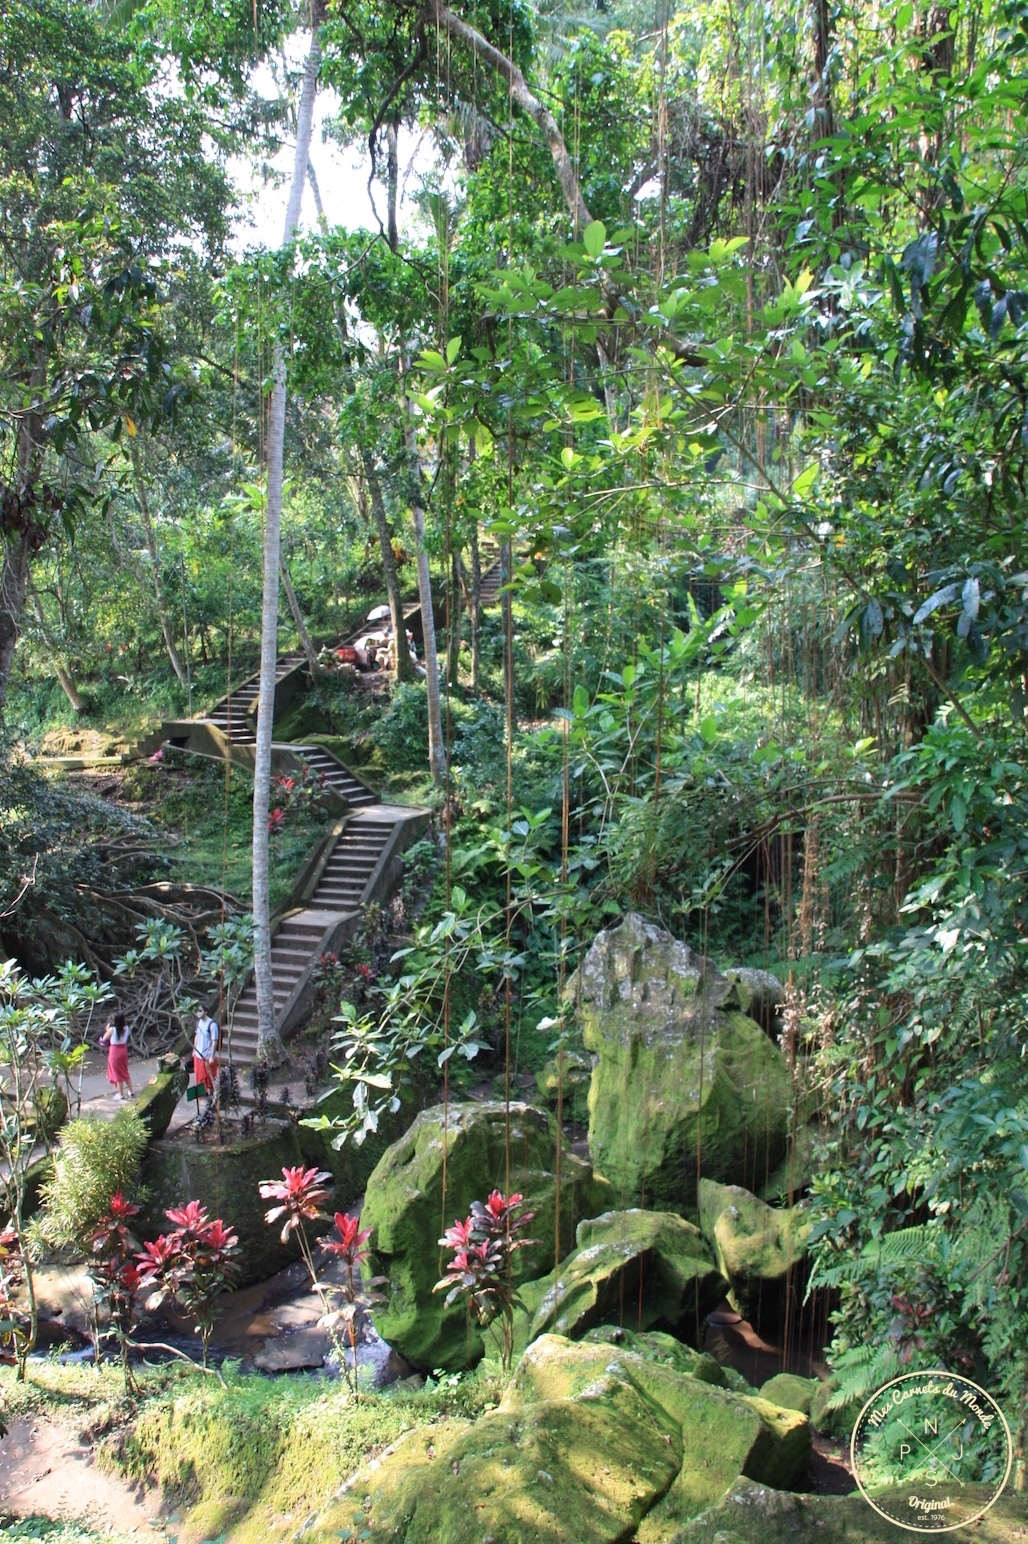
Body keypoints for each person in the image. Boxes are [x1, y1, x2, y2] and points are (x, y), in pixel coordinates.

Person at [101, 1012, 133, 1101]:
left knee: (118, 1073)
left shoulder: (112, 1030)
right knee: (124, 1071)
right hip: (123, 1050)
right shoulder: (126, 1028)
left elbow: (104, 1039)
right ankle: (131, 1091)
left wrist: (107, 1030)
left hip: (115, 1051)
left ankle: (121, 1094)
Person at [193, 1008, 220, 1102]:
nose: (198, 1013)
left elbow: (214, 1041)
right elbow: (197, 1035)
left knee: (210, 1076)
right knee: (199, 1076)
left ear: (206, 1012)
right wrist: (194, 1049)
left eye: (200, 1011)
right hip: (199, 1054)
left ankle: (213, 1093)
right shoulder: (199, 1022)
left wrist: (212, 1056)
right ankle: (202, 1094)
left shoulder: (212, 1025)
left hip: (207, 1055)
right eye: (197, 1011)